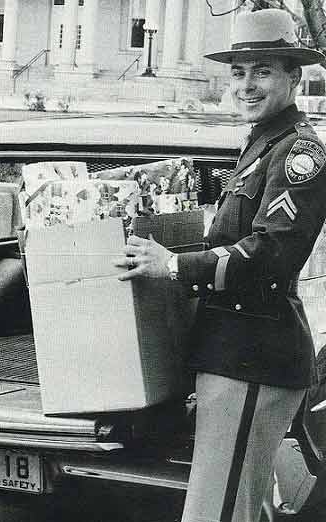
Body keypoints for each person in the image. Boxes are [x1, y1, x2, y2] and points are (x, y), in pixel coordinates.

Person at [115, 9, 326, 522]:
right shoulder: (261, 144)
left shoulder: (299, 152)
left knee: (218, 511)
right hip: (233, 353)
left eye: (262, 71)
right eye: (238, 71)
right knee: (237, 508)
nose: (246, 84)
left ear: (294, 77)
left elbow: (271, 255)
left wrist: (173, 266)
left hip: (254, 356)